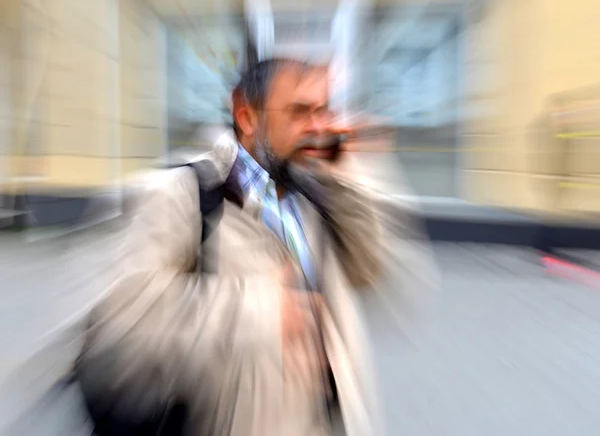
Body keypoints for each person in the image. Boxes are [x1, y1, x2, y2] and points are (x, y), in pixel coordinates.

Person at [75, 58, 437, 436]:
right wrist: (259, 310)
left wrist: (345, 179)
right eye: (299, 112)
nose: (317, 127)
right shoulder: (183, 195)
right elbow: (120, 325)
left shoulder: (315, 195)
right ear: (247, 117)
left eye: (323, 110)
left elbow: (367, 271)